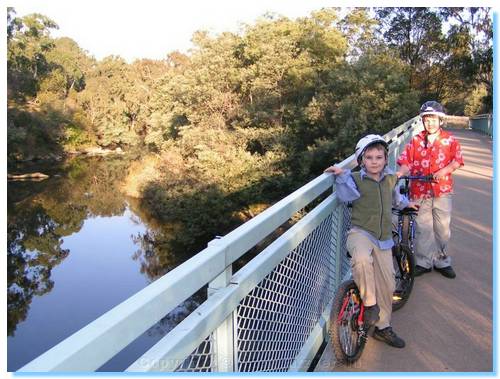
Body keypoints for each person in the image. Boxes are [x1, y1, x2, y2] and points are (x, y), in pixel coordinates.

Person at [325, 134, 416, 349]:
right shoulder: (355, 179)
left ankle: (383, 327)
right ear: (361, 161)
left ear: (386, 159)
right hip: (361, 233)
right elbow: (346, 196)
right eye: (369, 158)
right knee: (362, 260)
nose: (374, 162)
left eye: (379, 157)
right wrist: (340, 174)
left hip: (384, 239)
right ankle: (370, 304)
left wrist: (406, 204)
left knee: (388, 284)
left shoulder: (390, 179)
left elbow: (397, 198)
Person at [397, 101, 464, 279]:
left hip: (442, 190)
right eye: (427, 119)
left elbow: (457, 161)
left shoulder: (450, 140)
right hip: (419, 190)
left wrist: (442, 172)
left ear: (440, 120)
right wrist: (398, 174)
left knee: (442, 228)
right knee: (423, 228)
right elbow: (406, 162)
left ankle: (442, 260)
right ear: (423, 121)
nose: (430, 123)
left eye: (433, 119)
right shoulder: (416, 140)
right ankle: (423, 262)